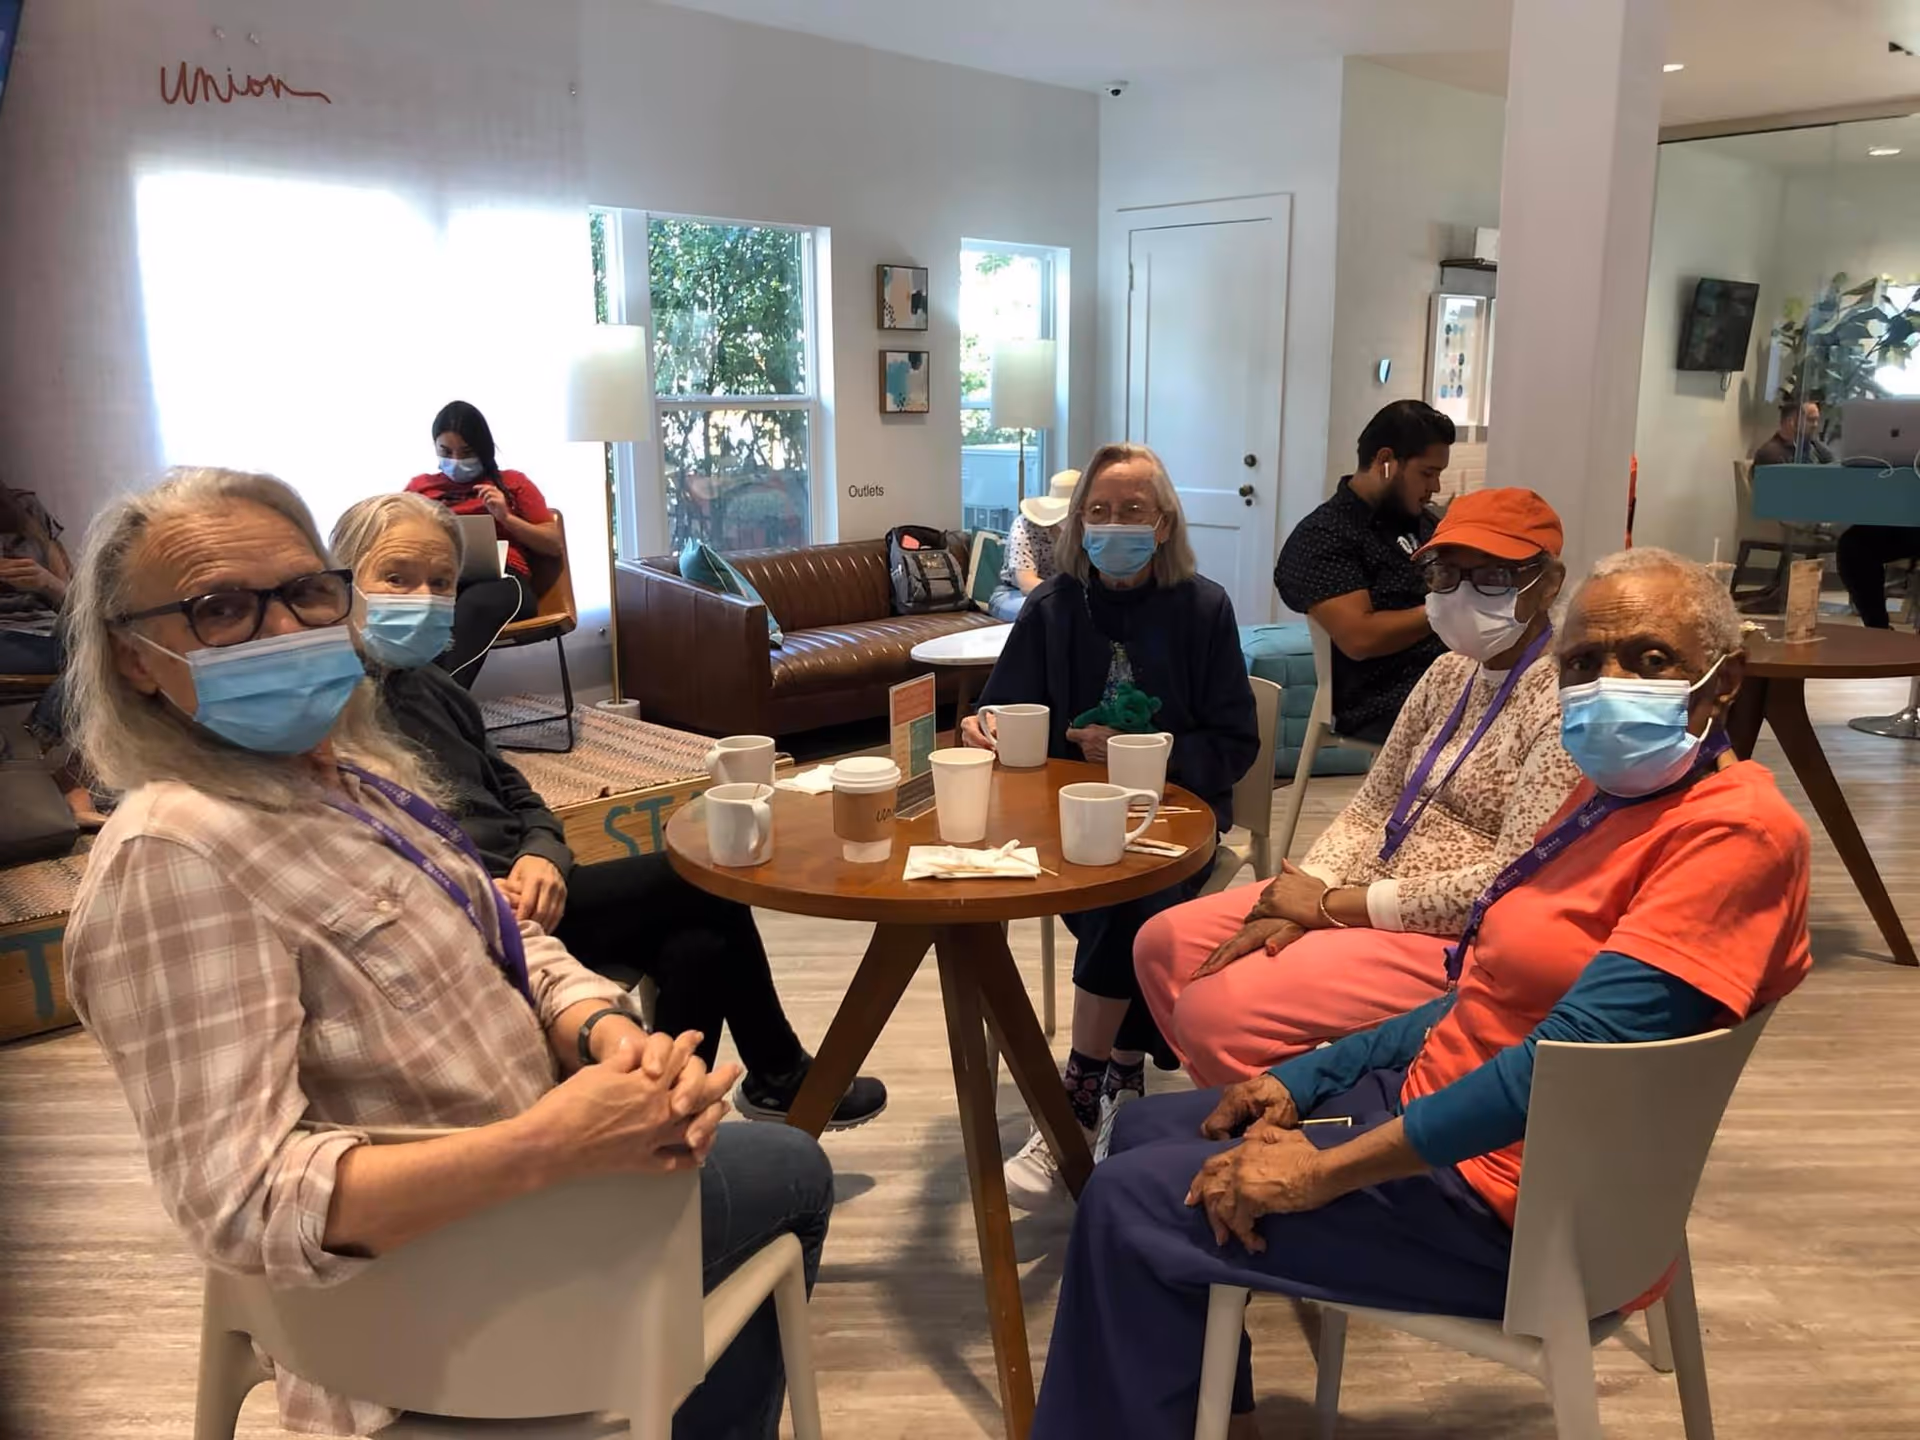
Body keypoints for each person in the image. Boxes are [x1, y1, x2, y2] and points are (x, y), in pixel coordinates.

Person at [63, 467, 831, 1439]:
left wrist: (596, 1030)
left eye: (304, 592)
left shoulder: (350, 776)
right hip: (445, 1281)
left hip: (535, 1183)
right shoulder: (176, 859)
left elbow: (505, 941)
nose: (285, 629)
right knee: (794, 1170)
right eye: (220, 608)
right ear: (133, 658)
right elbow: (243, 1203)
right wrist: (550, 1147)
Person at [1030, 547, 1812, 1440]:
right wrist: (1313, 1074)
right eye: (1585, 664)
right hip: (1451, 1121)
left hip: (1525, 1216)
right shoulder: (1606, 801)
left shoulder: (1737, 837)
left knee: (1131, 1203)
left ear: (1722, 684)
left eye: (1650, 659)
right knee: (1140, 1129)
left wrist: (1317, 1177)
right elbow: (1483, 994)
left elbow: (1556, 1069)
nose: (1609, 685)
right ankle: (1199, 1411)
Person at [331, 492, 886, 1128]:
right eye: (396, 578)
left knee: (699, 941)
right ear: (343, 580)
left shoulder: (432, 684)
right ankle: (771, 1075)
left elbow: (517, 792)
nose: (422, 599)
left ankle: (667, 1113)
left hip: (538, 890)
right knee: (700, 882)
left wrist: (543, 852)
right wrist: (488, 883)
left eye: (440, 583)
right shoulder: (332, 713)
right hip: (470, 919)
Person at [1135, 489, 1582, 1085]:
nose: (1461, 593)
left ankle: (1296, 1140)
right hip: (1361, 885)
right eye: (1446, 573)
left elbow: (1507, 881)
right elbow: (1373, 803)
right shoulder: (1450, 669)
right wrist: (1312, 887)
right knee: (1162, 943)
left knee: (1218, 1011)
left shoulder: (1565, 703)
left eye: (1493, 576)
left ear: (1548, 584)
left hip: (1449, 930)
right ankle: (1270, 1106)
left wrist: (1327, 908)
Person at [961, 442, 1259, 1204]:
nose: (1113, 525)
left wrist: (1147, 754)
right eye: (1099, 511)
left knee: (1133, 890)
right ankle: (1127, 1065)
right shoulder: (1053, 608)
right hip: (1062, 822)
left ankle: (1079, 1087)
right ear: (1077, 523)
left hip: (1177, 816)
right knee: (1114, 885)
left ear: (1163, 525)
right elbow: (1004, 703)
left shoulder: (1205, 608)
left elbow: (1235, 744)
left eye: (1133, 511)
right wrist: (984, 725)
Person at [1274, 400, 1455, 742]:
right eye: (1427, 473)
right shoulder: (1325, 536)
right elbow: (1361, 638)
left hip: (1448, 673)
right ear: (1385, 462)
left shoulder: (1424, 523)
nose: (1435, 487)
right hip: (1379, 697)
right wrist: (1448, 608)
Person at [405, 399, 560, 688]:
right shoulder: (420, 488)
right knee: (418, 611)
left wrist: (506, 518)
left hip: (505, 581)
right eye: (446, 452)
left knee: (472, 607)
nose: (456, 460)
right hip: (443, 583)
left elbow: (553, 543)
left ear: (482, 448)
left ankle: (440, 707)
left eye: (466, 452)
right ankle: (422, 706)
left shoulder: (513, 484)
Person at [988, 469, 1078, 622]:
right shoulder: (1026, 526)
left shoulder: (1089, 528)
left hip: (1071, 595)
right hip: (1014, 594)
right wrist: (1070, 598)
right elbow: (1026, 583)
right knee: (1048, 613)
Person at [1752, 398, 1833, 467]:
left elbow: (1835, 467)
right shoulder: (1770, 455)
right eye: (1811, 420)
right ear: (1791, 422)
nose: (1815, 425)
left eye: (1817, 420)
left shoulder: (1813, 446)